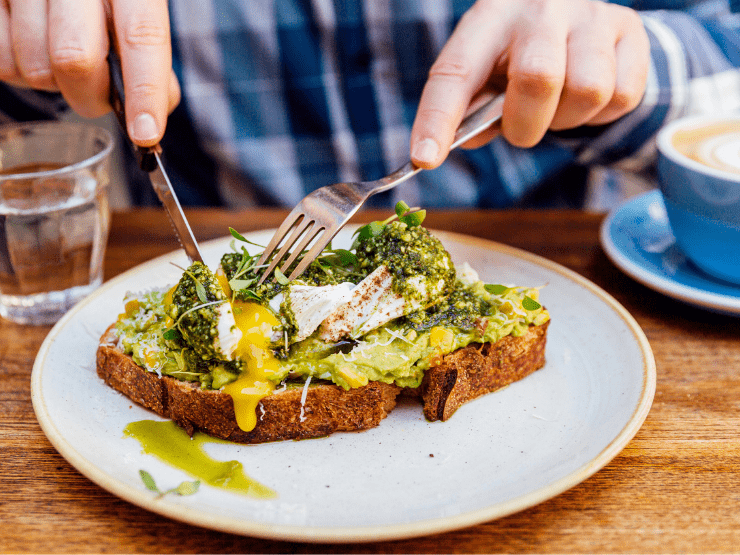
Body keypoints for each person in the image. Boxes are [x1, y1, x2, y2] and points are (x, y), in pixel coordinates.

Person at [0, 0, 738, 210]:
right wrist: (28, 53)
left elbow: (723, 49)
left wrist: (622, 60)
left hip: (562, 261)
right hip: (204, 246)